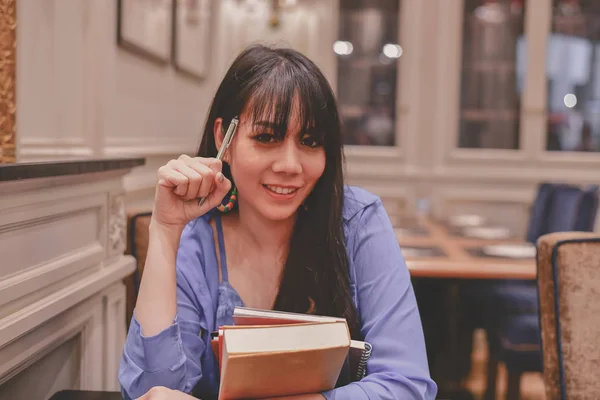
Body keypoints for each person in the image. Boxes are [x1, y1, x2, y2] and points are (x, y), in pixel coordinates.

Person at [118, 44, 437, 400]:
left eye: (310, 141)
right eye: (267, 137)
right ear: (224, 136)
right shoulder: (199, 240)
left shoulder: (357, 222)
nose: (290, 164)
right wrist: (164, 231)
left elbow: (407, 385)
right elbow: (152, 391)